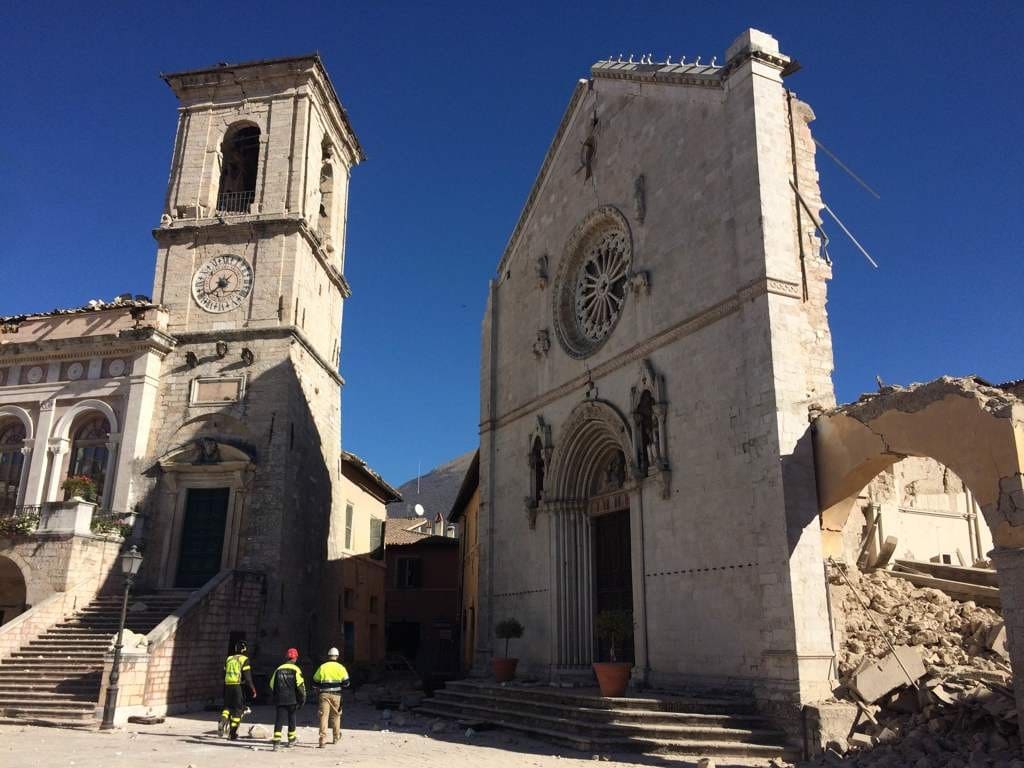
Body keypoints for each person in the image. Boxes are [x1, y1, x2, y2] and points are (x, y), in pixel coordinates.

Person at [311, 647, 351, 748]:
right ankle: (336, 736)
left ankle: (322, 740)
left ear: (328, 656)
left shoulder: (322, 667)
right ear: (337, 656)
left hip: (324, 695)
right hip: (337, 695)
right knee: (336, 716)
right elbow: (346, 683)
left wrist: (319, 688)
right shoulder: (341, 667)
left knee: (323, 716)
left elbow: (314, 682)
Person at [269, 647, 306, 750]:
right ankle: (291, 740)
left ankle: (276, 742)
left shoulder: (278, 669)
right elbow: (300, 685)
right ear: (295, 658)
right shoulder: (296, 669)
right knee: (291, 719)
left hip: (280, 699)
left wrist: (278, 693)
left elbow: (271, 684)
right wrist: (302, 698)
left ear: (287, 657)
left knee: (279, 720)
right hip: (292, 699)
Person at [218, 640, 256, 740]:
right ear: (244, 649)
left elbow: (223, 674)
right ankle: (233, 733)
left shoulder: (229, 658)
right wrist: (252, 688)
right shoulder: (244, 659)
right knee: (237, 711)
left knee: (227, 707)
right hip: (237, 687)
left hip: (227, 686)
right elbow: (248, 677)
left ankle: (222, 720)